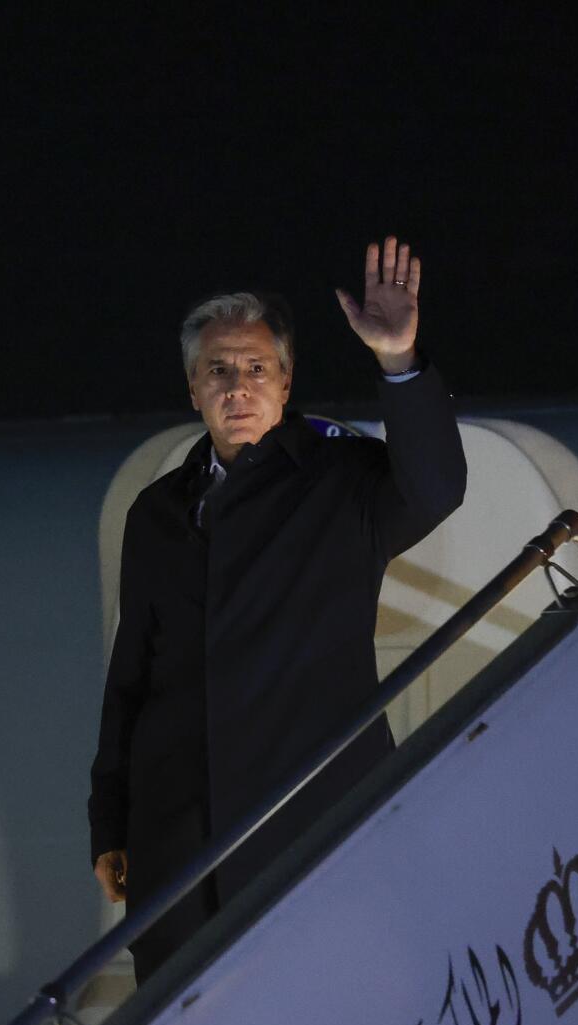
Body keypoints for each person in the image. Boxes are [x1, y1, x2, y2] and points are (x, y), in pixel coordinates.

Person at [88, 237, 467, 983]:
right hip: (179, 847)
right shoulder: (156, 512)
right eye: (217, 371)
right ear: (192, 389)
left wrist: (401, 360)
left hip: (314, 829)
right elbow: (130, 678)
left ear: (286, 382)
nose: (238, 385)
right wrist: (110, 819)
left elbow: (436, 488)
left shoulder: (342, 482)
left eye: (256, 368)